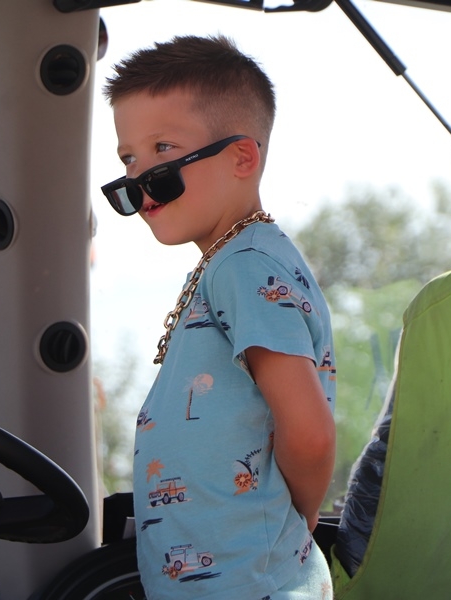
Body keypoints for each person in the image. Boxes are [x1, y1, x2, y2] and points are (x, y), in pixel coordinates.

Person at [100, 34, 336, 599]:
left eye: (163, 149)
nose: (138, 178)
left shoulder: (244, 266)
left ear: (241, 158)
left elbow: (308, 433)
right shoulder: (230, 264)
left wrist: (296, 524)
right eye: (129, 158)